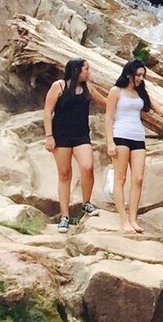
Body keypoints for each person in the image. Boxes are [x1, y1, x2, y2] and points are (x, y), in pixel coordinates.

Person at [105, 60, 163, 234]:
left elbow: (160, 110)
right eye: (138, 75)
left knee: (138, 179)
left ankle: (133, 219)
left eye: (143, 75)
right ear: (129, 74)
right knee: (120, 179)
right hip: (120, 136)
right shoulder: (116, 91)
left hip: (138, 138)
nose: (140, 78)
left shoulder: (141, 92)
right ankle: (123, 220)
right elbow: (108, 117)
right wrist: (109, 142)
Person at [43, 58, 104, 231]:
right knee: (64, 174)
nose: (88, 72)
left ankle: (86, 202)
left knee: (87, 167)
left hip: (81, 135)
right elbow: (47, 112)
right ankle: (65, 216)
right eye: (86, 69)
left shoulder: (88, 88)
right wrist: (49, 136)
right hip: (60, 135)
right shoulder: (59, 86)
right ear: (77, 70)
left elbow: (106, 102)